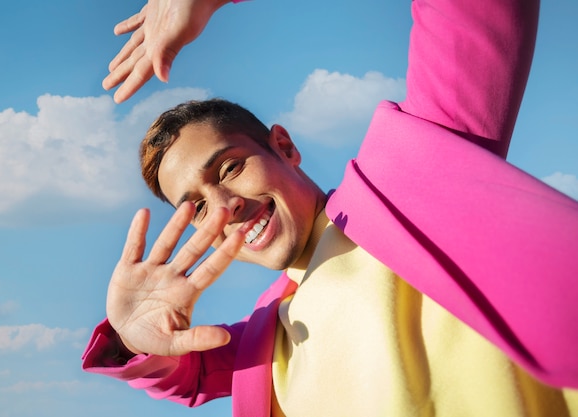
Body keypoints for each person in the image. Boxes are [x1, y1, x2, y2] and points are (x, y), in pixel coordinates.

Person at [82, 0, 578, 415]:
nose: (224, 207)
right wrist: (133, 341)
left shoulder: (407, 189)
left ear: (284, 146)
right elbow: (189, 373)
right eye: (194, 206)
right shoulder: (267, 336)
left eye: (229, 169)